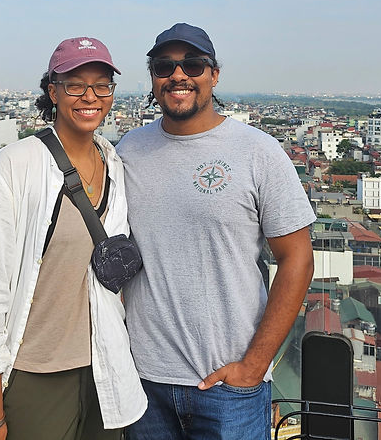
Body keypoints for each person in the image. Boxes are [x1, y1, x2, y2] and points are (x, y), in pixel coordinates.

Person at [116, 22, 316, 440]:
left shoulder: (257, 150)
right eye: (164, 66)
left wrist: (255, 365)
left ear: (214, 74)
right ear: (153, 77)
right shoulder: (128, 150)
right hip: (143, 380)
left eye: (192, 64)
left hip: (229, 385)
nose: (178, 75)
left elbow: (296, 258)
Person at [0, 37, 147, 440]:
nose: (90, 96)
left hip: (104, 367)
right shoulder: (15, 166)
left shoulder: (116, 162)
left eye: (102, 85)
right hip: (32, 370)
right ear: (52, 91)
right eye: (75, 85)